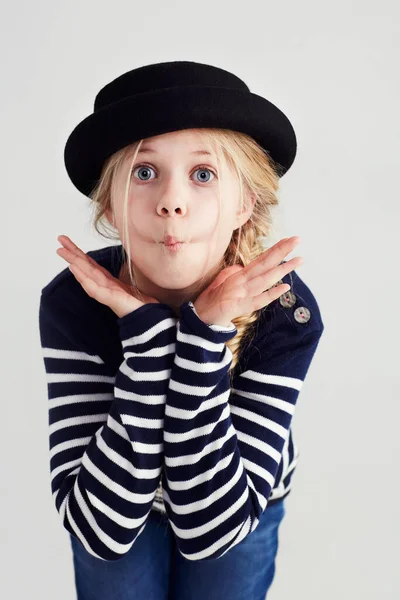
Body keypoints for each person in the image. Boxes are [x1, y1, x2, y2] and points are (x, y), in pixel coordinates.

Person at [38, 60, 325, 600]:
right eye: (144, 173)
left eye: (203, 174)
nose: (171, 201)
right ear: (110, 207)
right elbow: (100, 531)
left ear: (244, 203)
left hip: (236, 500)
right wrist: (147, 342)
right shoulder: (74, 301)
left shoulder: (283, 309)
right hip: (118, 495)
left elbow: (213, 533)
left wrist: (203, 335)